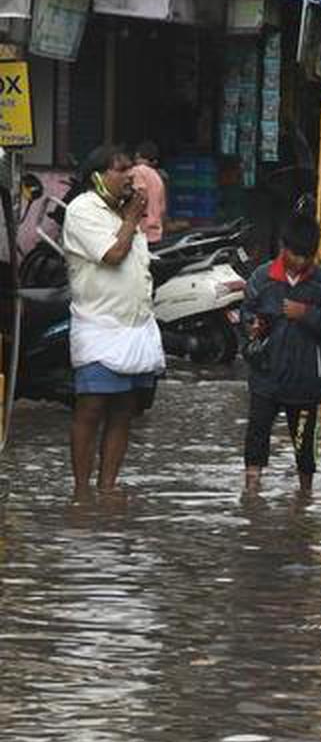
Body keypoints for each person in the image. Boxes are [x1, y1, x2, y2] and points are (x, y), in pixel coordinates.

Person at [62, 145, 165, 500]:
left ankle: (107, 489)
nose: (130, 178)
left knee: (124, 409)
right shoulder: (82, 210)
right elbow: (112, 255)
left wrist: (131, 217)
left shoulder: (125, 214)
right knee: (91, 406)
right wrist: (133, 218)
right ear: (98, 176)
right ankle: (80, 492)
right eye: (121, 170)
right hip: (98, 323)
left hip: (135, 325)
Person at [242, 212, 321, 495]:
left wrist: (307, 314)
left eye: (308, 256)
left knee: (304, 441)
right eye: (296, 255)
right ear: (283, 247)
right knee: (257, 435)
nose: (301, 262)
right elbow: (247, 311)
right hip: (266, 375)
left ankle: (305, 495)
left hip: (306, 382)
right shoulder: (262, 278)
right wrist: (251, 325)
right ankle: (252, 491)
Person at [129, 141, 167, 243]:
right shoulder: (158, 177)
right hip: (155, 233)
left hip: (140, 232)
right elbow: (162, 208)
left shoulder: (137, 171)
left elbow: (140, 197)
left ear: (137, 155)